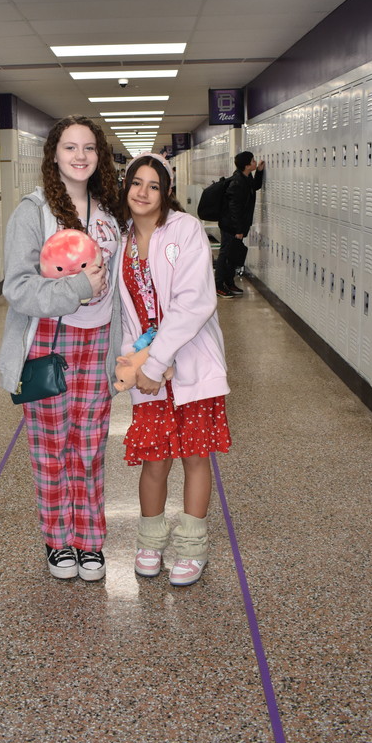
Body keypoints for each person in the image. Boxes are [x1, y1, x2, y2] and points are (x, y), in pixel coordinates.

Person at [0, 116, 124, 582]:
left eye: (89, 148)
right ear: (54, 154)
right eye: (69, 147)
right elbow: (18, 288)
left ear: (99, 156)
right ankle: (57, 542)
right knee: (51, 449)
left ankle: (90, 543)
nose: (79, 156)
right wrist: (75, 288)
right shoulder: (33, 212)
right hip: (49, 344)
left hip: (98, 343)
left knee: (89, 448)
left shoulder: (110, 212)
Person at [118, 153, 231, 586]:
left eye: (152, 184)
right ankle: (150, 541)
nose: (142, 192)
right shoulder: (123, 242)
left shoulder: (184, 231)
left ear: (166, 191)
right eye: (135, 183)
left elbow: (195, 302)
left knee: (195, 456)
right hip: (148, 370)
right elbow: (127, 315)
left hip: (190, 362)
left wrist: (161, 359)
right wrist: (139, 362)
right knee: (155, 459)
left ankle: (191, 547)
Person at [215, 150, 265, 299]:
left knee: (232, 255)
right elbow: (234, 209)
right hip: (231, 226)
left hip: (237, 226)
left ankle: (229, 282)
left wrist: (260, 172)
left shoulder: (245, 177)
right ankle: (218, 286)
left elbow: (254, 186)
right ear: (247, 165)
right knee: (225, 255)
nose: (255, 162)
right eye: (253, 161)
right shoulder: (237, 182)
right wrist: (238, 229)